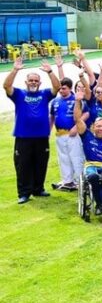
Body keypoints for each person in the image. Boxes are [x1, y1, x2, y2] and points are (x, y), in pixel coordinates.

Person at [4, 58, 60, 204]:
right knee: (23, 165)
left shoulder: (45, 94)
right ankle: (24, 193)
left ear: (40, 83)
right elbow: (6, 86)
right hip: (23, 137)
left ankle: (38, 189)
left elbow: (57, 87)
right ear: (26, 82)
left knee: (41, 163)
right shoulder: (19, 94)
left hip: (41, 137)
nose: (33, 83)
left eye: (36, 81)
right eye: (31, 80)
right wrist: (15, 70)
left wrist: (50, 71)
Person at [49, 77, 87, 192]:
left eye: (64, 88)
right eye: (60, 89)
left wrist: (76, 127)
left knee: (76, 157)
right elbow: (52, 117)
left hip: (73, 134)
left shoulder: (77, 100)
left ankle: (80, 181)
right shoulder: (55, 101)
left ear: (70, 88)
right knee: (63, 158)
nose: (61, 91)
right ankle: (67, 180)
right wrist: (48, 131)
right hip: (60, 134)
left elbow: (86, 113)